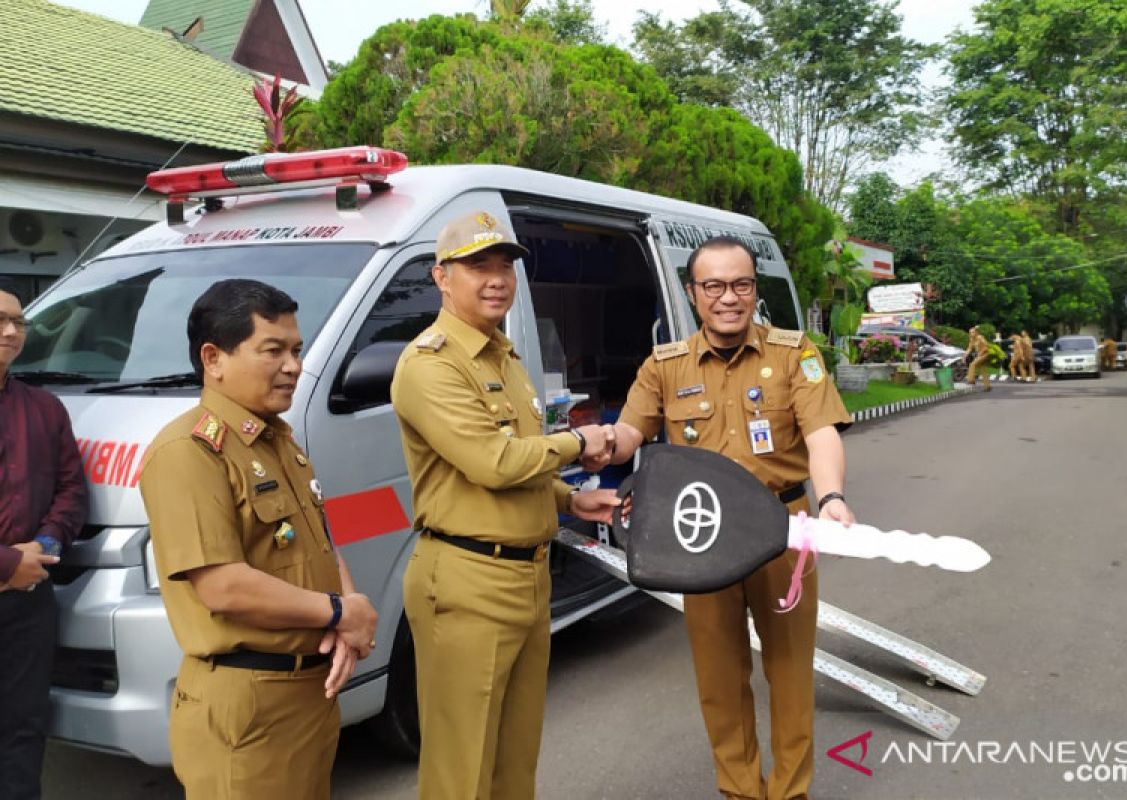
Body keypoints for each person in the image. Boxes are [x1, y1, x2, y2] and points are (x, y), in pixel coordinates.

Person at [594, 236, 854, 800]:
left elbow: (821, 433)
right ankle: (740, 791)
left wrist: (830, 497)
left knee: (788, 672)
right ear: (693, 294)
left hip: (783, 531)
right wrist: (592, 442)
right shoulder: (665, 366)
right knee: (719, 676)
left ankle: (790, 792)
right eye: (713, 286)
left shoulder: (793, 353)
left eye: (740, 285)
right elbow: (630, 436)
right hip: (698, 537)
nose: (728, 298)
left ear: (754, 290)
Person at [391, 210, 621, 800]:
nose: (496, 279)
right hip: (467, 581)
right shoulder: (430, 363)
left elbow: (522, 463)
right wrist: (580, 442)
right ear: (442, 277)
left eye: (504, 266)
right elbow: (493, 462)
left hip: (528, 576)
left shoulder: (504, 356)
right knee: (460, 772)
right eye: (478, 266)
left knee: (515, 763)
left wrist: (573, 497)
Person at [139, 280, 378, 800]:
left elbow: (317, 541)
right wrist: (339, 612)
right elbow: (223, 586)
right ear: (214, 358)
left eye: (295, 349)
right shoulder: (188, 452)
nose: (293, 365)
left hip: (307, 697)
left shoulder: (279, 440)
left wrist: (348, 609)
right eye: (272, 350)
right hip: (248, 708)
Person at [0, 285, 87, 800]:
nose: (11, 331)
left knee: (24, 727)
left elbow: (71, 489)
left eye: (19, 322)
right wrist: (9, 560)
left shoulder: (45, 408)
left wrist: (44, 546)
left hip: (29, 600)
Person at [966, 326, 992, 391]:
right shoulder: (972, 340)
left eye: (973, 332)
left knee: (972, 364)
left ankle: (971, 380)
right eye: (970, 332)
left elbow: (986, 346)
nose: (971, 334)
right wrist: (964, 356)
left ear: (976, 332)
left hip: (984, 354)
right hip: (980, 355)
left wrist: (981, 352)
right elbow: (969, 349)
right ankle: (987, 386)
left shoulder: (980, 337)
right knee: (983, 370)